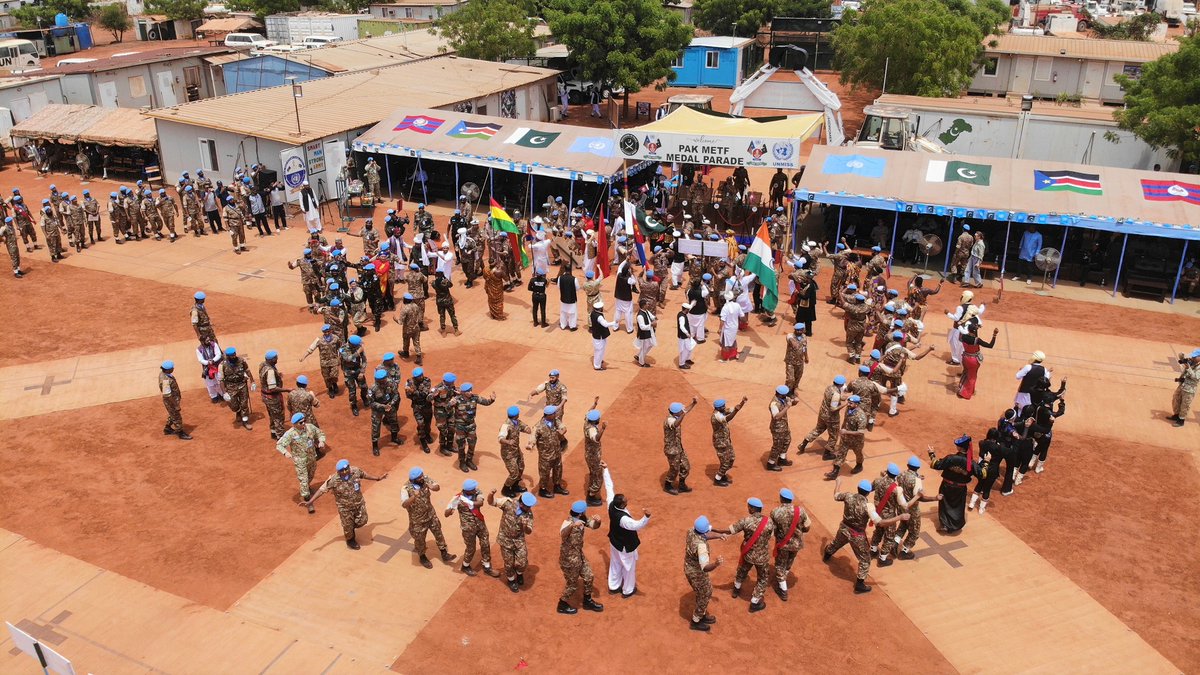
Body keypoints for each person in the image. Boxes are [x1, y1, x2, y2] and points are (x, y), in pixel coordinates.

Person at [822, 477, 910, 593]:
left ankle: (826, 556)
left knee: (836, 543)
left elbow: (836, 495)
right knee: (865, 560)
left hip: (844, 528)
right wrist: (899, 517)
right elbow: (881, 523)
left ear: (858, 489)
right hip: (857, 535)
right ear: (868, 492)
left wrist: (838, 483)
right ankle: (859, 585)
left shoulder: (848, 496)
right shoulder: (868, 506)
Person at [303, 460, 387, 549]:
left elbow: (365, 475)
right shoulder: (333, 480)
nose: (344, 472)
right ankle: (350, 540)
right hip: (344, 508)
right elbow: (321, 490)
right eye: (341, 471)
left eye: (346, 469)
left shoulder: (355, 471)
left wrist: (377, 478)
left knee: (363, 520)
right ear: (338, 471)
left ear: (349, 467)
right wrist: (310, 501)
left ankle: (350, 527)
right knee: (348, 527)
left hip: (359, 503)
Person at [713, 497, 774, 613]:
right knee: (763, 578)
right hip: (762, 557)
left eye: (749, 507)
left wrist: (714, 530)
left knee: (742, 571)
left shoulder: (746, 521)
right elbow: (771, 536)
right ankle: (755, 602)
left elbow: (728, 531)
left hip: (748, 554)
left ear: (752, 508)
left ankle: (736, 589)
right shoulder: (769, 522)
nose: (748, 509)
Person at [601, 461, 649, 598]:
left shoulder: (611, 504)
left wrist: (605, 470)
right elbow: (636, 525)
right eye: (626, 501)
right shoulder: (623, 519)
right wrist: (646, 517)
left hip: (614, 542)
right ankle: (628, 590)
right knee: (629, 568)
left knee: (615, 563)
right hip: (624, 546)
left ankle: (613, 585)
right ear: (622, 504)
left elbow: (609, 487)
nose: (627, 501)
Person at [401, 467, 458, 568]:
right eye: (420, 477)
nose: (422, 478)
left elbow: (437, 487)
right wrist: (414, 496)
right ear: (413, 479)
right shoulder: (406, 488)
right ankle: (422, 556)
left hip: (430, 514)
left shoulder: (425, 479)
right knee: (420, 539)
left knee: (438, 532)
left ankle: (444, 553)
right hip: (417, 519)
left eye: (422, 475)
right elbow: (404, 504)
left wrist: (432, 487)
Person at [444, 479, 501, 577]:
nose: (475, 490)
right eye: (473, 489)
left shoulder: (477, 492)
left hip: (480, 524)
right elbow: (446, 514)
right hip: (468, 528)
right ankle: (465, 566)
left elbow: (480, 503)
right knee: (471, 549)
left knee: (485, 544)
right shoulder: (457, 498)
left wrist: (468, 501)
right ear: (467, 491)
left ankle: (487, 567)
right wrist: (451, 507)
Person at [557, 500, 605, 615]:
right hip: (569, 559)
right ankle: (562, 605)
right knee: (572, 585)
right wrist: (573, 525)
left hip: (578, 555)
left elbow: (593, 526)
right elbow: (562, 534)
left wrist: (598, 522)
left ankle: (587, 601)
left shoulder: (582, 518)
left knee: (589, 576)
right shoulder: (567, 522)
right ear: (580, 512)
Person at [489, 489, 537, 592]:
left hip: (518, 540)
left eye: (530, 507)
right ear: (521, 503)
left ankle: (519, 574)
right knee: (509, 563)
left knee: (522, 562)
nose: (529, 508)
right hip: (505, 539)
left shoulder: (529, 514)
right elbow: (492, 502)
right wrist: (491, 495)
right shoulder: (508, 503)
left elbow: (529, 531)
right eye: (527, 506)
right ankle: (511, 580)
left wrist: (525, 526)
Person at [929, 436, 979, 534]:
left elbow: (936, 465)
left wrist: (931, 454)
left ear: (960, 448)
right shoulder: (971, 463)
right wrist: (986, 461)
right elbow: (983, 473)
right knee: (958, 506)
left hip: (947, 486)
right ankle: (954, 526)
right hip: (960, 488)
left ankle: (944, 524)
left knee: (944, 504)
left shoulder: (951, 458)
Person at [277, 412, 326, 512]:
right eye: (300, 423)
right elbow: (279, 445)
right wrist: (285, 453)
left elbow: (320, 433)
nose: (303, 424)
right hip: (300, 461)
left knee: (311, 475)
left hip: (312, 458)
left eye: (304, 421)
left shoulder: (310, 427)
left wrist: (321, 441)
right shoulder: (291, 434)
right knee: (303, 480)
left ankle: (306, 487)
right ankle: (308, 501)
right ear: (294, 424)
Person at [894, 456, 941, 560]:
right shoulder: (917, 480)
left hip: (901, 507)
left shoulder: (901, 475)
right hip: (912, 510)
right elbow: (920, 498)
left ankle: (895, 542)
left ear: (908, 466)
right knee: (914, 532)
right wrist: (935, 498)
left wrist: (918, 477)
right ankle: (904, 551)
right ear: (918, 467)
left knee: (903, 525)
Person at [770, 488, 811, 601]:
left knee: (779, 565)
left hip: (783, 545)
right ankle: (784, 576)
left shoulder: (775, 512)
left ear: (781, 498)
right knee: (789, 561)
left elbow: (772, 530)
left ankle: (783, 590)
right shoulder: (800, 510)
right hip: (797, 544)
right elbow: (807, 527)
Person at [450, 383, 494, 472]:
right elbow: (447, 408)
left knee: (472, 444)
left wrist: (492, 400)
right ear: (463, 392)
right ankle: (462, 462)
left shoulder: (475, 398)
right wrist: (450, 404)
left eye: (471, 390)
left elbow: (486, 402)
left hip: (471, 426)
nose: (470, 392)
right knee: (461, 446)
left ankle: (469, 460)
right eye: (468, 391)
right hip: (460, 427)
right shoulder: (457, 400)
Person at [798, 375, 846, 456]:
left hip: (822, 414)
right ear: (841, 384)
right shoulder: (836, 394)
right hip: (831, 418)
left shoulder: (829, 388)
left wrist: (844, 398)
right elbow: (833, 408)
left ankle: (803, 444)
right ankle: (827, 454)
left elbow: (834, 397)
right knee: (834, 435)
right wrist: (844, 404)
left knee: (817, 429)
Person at [824, 394, 868, 479]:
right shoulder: (849, 409)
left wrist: (846, 431)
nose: (848, 404)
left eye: (851, 403)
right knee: (841, 453)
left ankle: (859, 465)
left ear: (857, 404)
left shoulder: (861, 416)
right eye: (849, 402)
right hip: (845, 438)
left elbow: (861, 432)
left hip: (856, 441)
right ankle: (835, 472)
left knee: (858, 454)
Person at [531, 405, 569, 498]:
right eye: (553, 413)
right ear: (548, 415)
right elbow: (532, 438)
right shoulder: (538, 427)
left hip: (556, 452)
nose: (555, 414)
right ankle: (542, 490)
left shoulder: (555, 421)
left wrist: (563, 430)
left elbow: (563, 427)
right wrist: (530, 445)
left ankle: (557, 486)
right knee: (544, 473)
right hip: (545, 455)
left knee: (558, 470)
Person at [663, 398, 698, 495]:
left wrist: (693, 403)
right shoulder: (669, 420)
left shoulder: (677, 415)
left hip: (679, 448)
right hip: (671, 450)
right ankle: (668, 485)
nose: (682, 410)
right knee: (674, 469)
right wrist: (683, 414)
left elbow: (685, 411)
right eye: (680, 410)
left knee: (686, 466)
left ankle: (681, 485)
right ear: (675, 413)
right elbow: (675, 424)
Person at [710, 397, 747, 485]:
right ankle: (718, 479)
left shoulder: (721, 411)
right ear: (718, 408)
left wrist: (742, 402)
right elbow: (727, 419)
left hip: (726, 441)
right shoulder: (716, 416)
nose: (724, 407)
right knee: (725, 462)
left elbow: (733, 409)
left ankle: (723, 475)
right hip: (720, 443)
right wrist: (736, 411)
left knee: (731, 458)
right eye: (723, 406)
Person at [958, 323, 999, 399]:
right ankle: (965, 393)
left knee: (966, 372)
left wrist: (975, 328)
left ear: (968, 330)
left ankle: (963, 388)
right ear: (975, 331)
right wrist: (994, 335)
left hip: (965, 358)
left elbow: (965, 337)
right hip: (973, 361)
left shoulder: (963, 337)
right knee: (972, 376)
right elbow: (990, 345)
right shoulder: (977, 340)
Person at [367, 369, 402, 456]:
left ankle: (394, 438)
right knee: (376, 426)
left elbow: (396, 394)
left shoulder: (391, 383)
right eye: (382, 380)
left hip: (389, 406)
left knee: (394, 421)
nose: (384, 381)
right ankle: (375, 446)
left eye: (385, 379)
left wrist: (391, 403)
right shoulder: (372, 388)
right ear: (377, 380)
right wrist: (383, 407)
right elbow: (371, 403)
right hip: (377, 409)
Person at [220, 346, 255, 430]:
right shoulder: (222, 365)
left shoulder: (241, 361)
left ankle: (245, 421)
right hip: (230, 387)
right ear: (228, 356)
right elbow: (221, 380)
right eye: (231, 355)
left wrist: (252, 381)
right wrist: (224, 393)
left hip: (242, 384)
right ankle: (238, 411)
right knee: (234, 405)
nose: (234, 356)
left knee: (244, 404)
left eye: (234, 354)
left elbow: (247, 370)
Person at [158, 361, 192, 441]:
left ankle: (167, 429)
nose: (173, 369)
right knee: (177, 417)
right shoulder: (165, 380)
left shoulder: (163, 374)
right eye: (171, 368)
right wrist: (176, 405)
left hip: (173, 399)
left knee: (172, 414)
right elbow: (168, 395)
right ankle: (180, 433)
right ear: (167, 370)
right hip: (171, 401)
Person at [259, 350, 289, 440]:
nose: (277, 359)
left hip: (265, 396)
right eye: (275, 358)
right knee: (278, 416)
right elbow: (273, 388)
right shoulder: (270, 371)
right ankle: (280, 436)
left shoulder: (263, 364)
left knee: (272, 414)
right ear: (271, 360)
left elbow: (265, 377)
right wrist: (287, 389)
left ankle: (273, 432)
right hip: (272, 397)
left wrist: (278, 375)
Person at [766, 385, 796, 472]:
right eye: (785, 394)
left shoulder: (783, 398)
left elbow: (790, 402)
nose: (787, 395)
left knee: (787, 440)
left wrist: (795, 401)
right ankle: (770, 463)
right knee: (777, 445)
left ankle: (782, 459)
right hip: (777, 428)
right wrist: (787, 407)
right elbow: (776, 417)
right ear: (780, 395)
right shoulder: (774, 404)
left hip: (784, 426)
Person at [339, 335, 369, 416]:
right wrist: (358, 352)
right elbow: (348, 359)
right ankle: (354, 405)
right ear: (352, 344)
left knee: (364, 387)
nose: (359, 345)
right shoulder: (343, 349)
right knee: (352, 391)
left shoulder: (359, 347)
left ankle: (364, 398)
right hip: (348, 372)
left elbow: (364, 360)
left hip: (358, 370)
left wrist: (362, 372)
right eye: (357, 345)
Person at [1170, 349, 1200, 427]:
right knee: (1176, 399)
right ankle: (1176, 415)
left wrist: (1188, 368)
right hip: (1183, 385)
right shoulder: (1192, 362)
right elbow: (1181, 356)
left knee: (1185, 404)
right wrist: (1183, 357)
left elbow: (1195, 377)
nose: (1192, 357)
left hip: (1190, 389)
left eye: (1195, 356)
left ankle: (1181, 420)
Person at [583, 405, 606, 506]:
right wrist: (603, 429)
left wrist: (594, 404)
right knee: (598, 475)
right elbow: (596, 438)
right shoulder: (591, 429)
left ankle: (591, 490)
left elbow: (589, 411)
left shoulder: (587, 421)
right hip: (593, 456)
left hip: (590, 454)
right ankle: (591, 496)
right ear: (595, 421)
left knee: (593, 473)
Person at [196, 335, 225, 403]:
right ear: (202, 342)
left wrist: (213, 360)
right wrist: (207, 362)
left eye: (209, 340)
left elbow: (218, 354)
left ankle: (222, 394)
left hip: (216, 365)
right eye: (207, 341)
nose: (209, 341)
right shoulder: (199, 349)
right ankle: (213, 396)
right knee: (210, 383)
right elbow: (200, 359)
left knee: (219, 380)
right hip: (207, 368)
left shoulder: (214, 344)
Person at [784, 322, 810, 392]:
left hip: (800, 361)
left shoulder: (804, 337)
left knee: (798, 376)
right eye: (797, 330)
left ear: (803, 330)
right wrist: (794, 342)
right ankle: (787, 391)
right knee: (790, 378)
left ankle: (795, 388)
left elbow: (804, 347)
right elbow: (790, 339)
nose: (798, 331)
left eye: (800, 330)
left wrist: (806, 356)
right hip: (790, 361)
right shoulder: (790, 336)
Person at [590, 300, 615, 370]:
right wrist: (614, 322)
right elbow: (605, 324)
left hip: (597, 335)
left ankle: (599, 361)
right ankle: (597, 366)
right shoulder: (599, 316)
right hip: (599, 336)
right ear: (600, 308)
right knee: (599, 351)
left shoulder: (593, 313)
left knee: (599, 350)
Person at [557, 266, 581, 331]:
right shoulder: (574, 279)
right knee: (573, 313)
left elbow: (558, 286)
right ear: (570, 270)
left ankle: (563, 325)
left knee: (563, 312)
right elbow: (578, 288)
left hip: (563, 298)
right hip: (572, 299)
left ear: (565, 270)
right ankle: (572, 326)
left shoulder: (560, 278)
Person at [676, 301, 696, 370]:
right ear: (686, 309)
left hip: (685, 336)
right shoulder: (682, 317)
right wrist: (687, 333)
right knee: (685, 350)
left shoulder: (681, 313)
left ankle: (687, 359)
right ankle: (681, 364)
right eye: (688, 310)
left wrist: (693, 304)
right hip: (684, 336)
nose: (689, 311)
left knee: (690, 347)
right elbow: (681, 326)